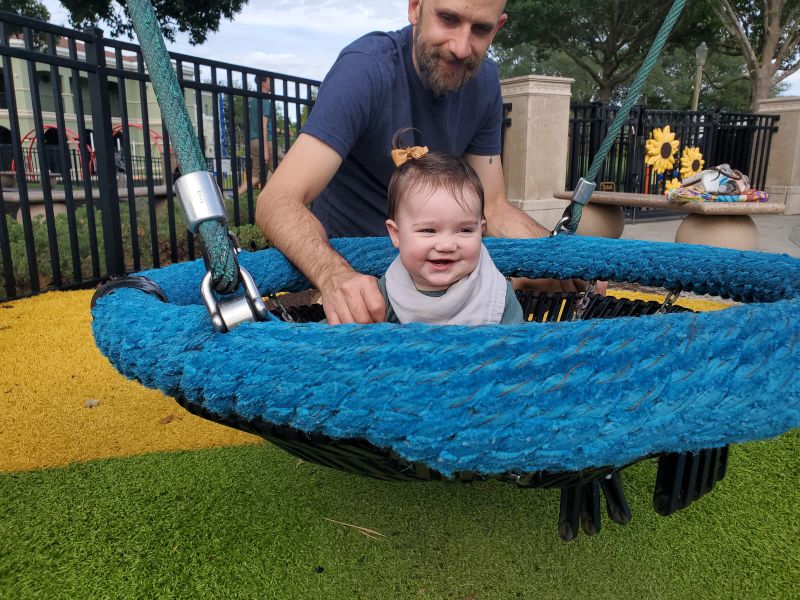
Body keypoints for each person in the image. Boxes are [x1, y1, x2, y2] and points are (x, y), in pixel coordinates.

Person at [257, 0, 586, 325]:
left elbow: (493, 208)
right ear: (415, 7)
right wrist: (333, 275)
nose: (460, 47)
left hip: (446, 276)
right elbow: (277, 201)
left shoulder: (483, 82)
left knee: (548, 280)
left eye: (480, 29)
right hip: (361, 279)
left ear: (497, 28)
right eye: (448, 18)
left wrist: (564, 255)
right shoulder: (366, 70)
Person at [381, 138, 523, 324]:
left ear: (481, 231)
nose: (447, 245)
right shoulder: (389, 291)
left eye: (464, 230)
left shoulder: (495, 293)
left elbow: (518, 346)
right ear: (396, 234)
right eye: (429, 230)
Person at [237, 75, 273, 196]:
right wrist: (266, 150)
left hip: (253, 141)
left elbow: (258, 123)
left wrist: (281, 132)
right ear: (263, 83)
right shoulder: (265, 101)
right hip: (265, 142)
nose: (272, 83)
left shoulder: (253, 101)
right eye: (270, 81)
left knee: (255, 176)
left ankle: (235, 196)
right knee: (286, 166)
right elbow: (263, 126)